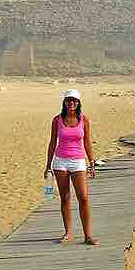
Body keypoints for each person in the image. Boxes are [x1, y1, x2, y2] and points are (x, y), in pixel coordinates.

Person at [44, 89, 99, 245]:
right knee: (65, 198)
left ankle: (87, 235)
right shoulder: (57, 120)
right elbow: (52, 142)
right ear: (64, 102)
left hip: (78, 162)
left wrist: (91, 163)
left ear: (78, 102)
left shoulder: (84, 120)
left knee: (83, 198)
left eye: (74, 100)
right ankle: (68, 233)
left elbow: (87, 141)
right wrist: (48, 166)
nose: (71, 103)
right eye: (69, 100)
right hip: (60, 162)